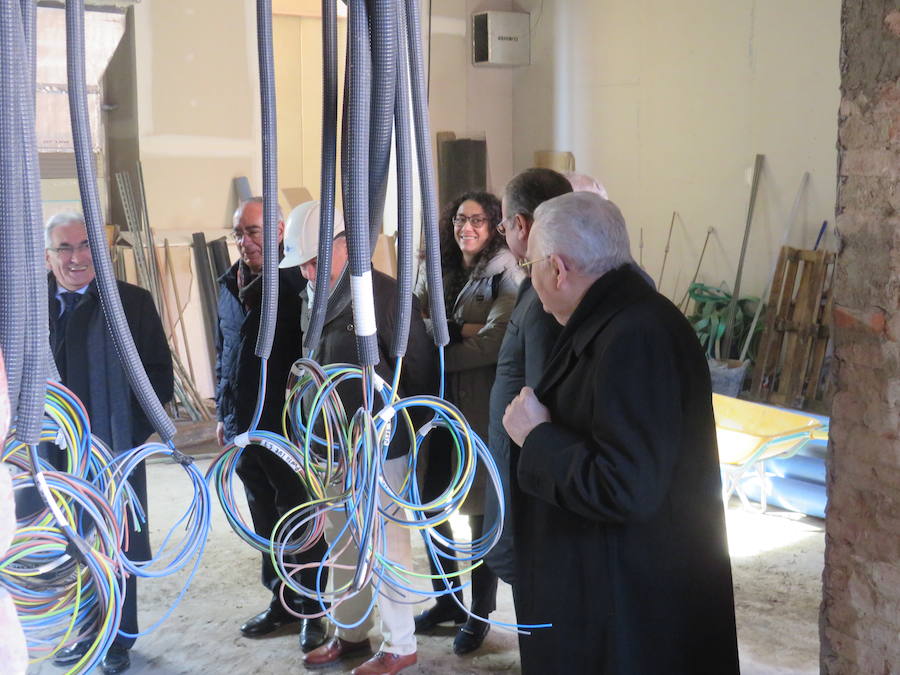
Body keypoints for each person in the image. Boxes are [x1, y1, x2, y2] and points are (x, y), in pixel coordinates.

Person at [502, 192, 740, 674]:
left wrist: (538, 438)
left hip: (630, 613)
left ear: (558, 269)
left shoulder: (635, 335)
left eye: (531, 270)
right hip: (614, 593)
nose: (535, 285)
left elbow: (626, 486)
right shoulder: (618, 319)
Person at [289, 201, 436, 675]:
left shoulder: (389, 299)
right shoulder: (312, 298)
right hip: (328, 447)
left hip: (379, 448)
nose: (307, 271)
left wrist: (394, 434)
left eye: (314, 260)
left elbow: (420, 377)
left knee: (386, 543)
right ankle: (349, 633)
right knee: (341, 542)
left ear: (347, 247)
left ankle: (400, 644)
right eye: (303, 263)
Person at [45, 212, 174, 675]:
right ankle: (83, 632)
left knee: (115, 544)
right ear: (49, 255)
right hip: (53, 455)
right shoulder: (30, 307)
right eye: (65, 248)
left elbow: (159, 374)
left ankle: (118, 638)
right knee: (68, 544)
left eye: (85, 246)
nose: (76, 257)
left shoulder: (130, 304)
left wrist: (132, 434)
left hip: (113, 450)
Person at [215, 197, 327, 652]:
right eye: (239, 233)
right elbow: (225, 352)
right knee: (263, 518)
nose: (246, 242)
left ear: (279, 230)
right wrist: (223, 414)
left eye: (256, 231)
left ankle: (314, 610)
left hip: (284, 426)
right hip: (242, 424)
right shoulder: (229, 283)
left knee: (298, 515)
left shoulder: (295, 282)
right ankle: (282, 602)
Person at [412, 191, 522, 654]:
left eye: (478, 220)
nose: (467, 228)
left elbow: (496, 342)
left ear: (496, 225)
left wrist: (436, 350)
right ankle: (446, 600)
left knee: (479, 518)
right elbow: (411, 322)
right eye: (460, 219)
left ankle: (479, 613)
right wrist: (459, 331)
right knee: (431, 507)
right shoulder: (434, 269)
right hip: (435, 413)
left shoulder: (507, 273)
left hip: (478, 412)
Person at [483, 168, 573, 585]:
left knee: (536, 594)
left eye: (501, 224)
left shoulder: (544, 298)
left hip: (528, 475)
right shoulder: (541, 289)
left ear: (520, 225)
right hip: (528, 466)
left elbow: (539, 396)